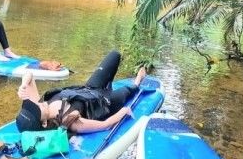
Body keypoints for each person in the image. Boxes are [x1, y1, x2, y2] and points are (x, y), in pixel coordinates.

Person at [15, 51, 147, 135]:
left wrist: (23, 85)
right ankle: (138, 80)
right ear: (44, 123)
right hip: (105, 102)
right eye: (35, 109)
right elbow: (105, 125)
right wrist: (124, 112)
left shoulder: (40, 105)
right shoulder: (68, 121)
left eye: (30, 106)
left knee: (114, 55)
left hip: (90, 88)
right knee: (129, 90)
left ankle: (109, 83)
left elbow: (28, 74)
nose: (36, 104)